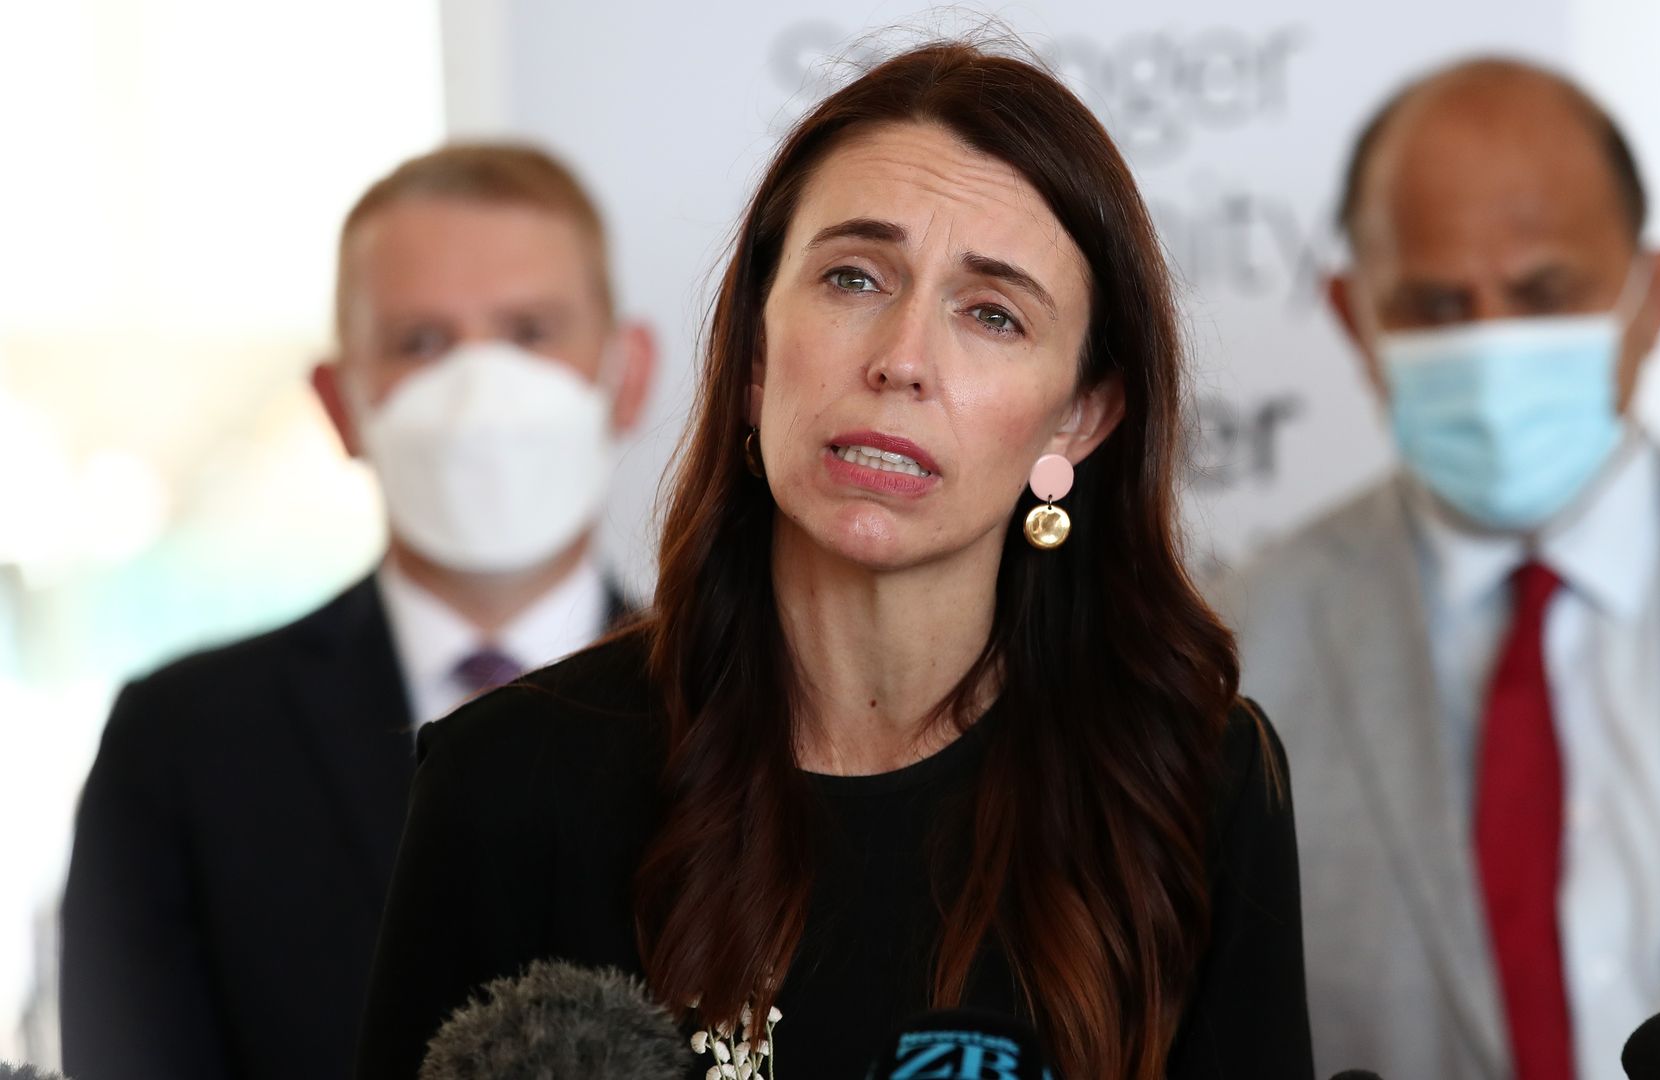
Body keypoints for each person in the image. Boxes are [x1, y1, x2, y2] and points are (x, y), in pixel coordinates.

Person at [354, 42, 1313, 1080]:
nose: (902, 357)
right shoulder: (506, 782)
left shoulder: (1188, 776)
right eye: (854, 277)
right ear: (757, 355)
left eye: (992, 313)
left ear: (1079, 419)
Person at [1213, 57, 1660, 1079]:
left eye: (1546, 292)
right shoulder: (1229, 665)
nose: (1495, 344)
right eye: (1438, 305)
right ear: (1351, 314)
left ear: (1653, 295)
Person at [61, 144, 656, 1080]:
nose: (480, 394)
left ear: (628, 375)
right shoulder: (179, 743)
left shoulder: (751, 712)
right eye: (421, 343)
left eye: (531, 331)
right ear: (340, 404)